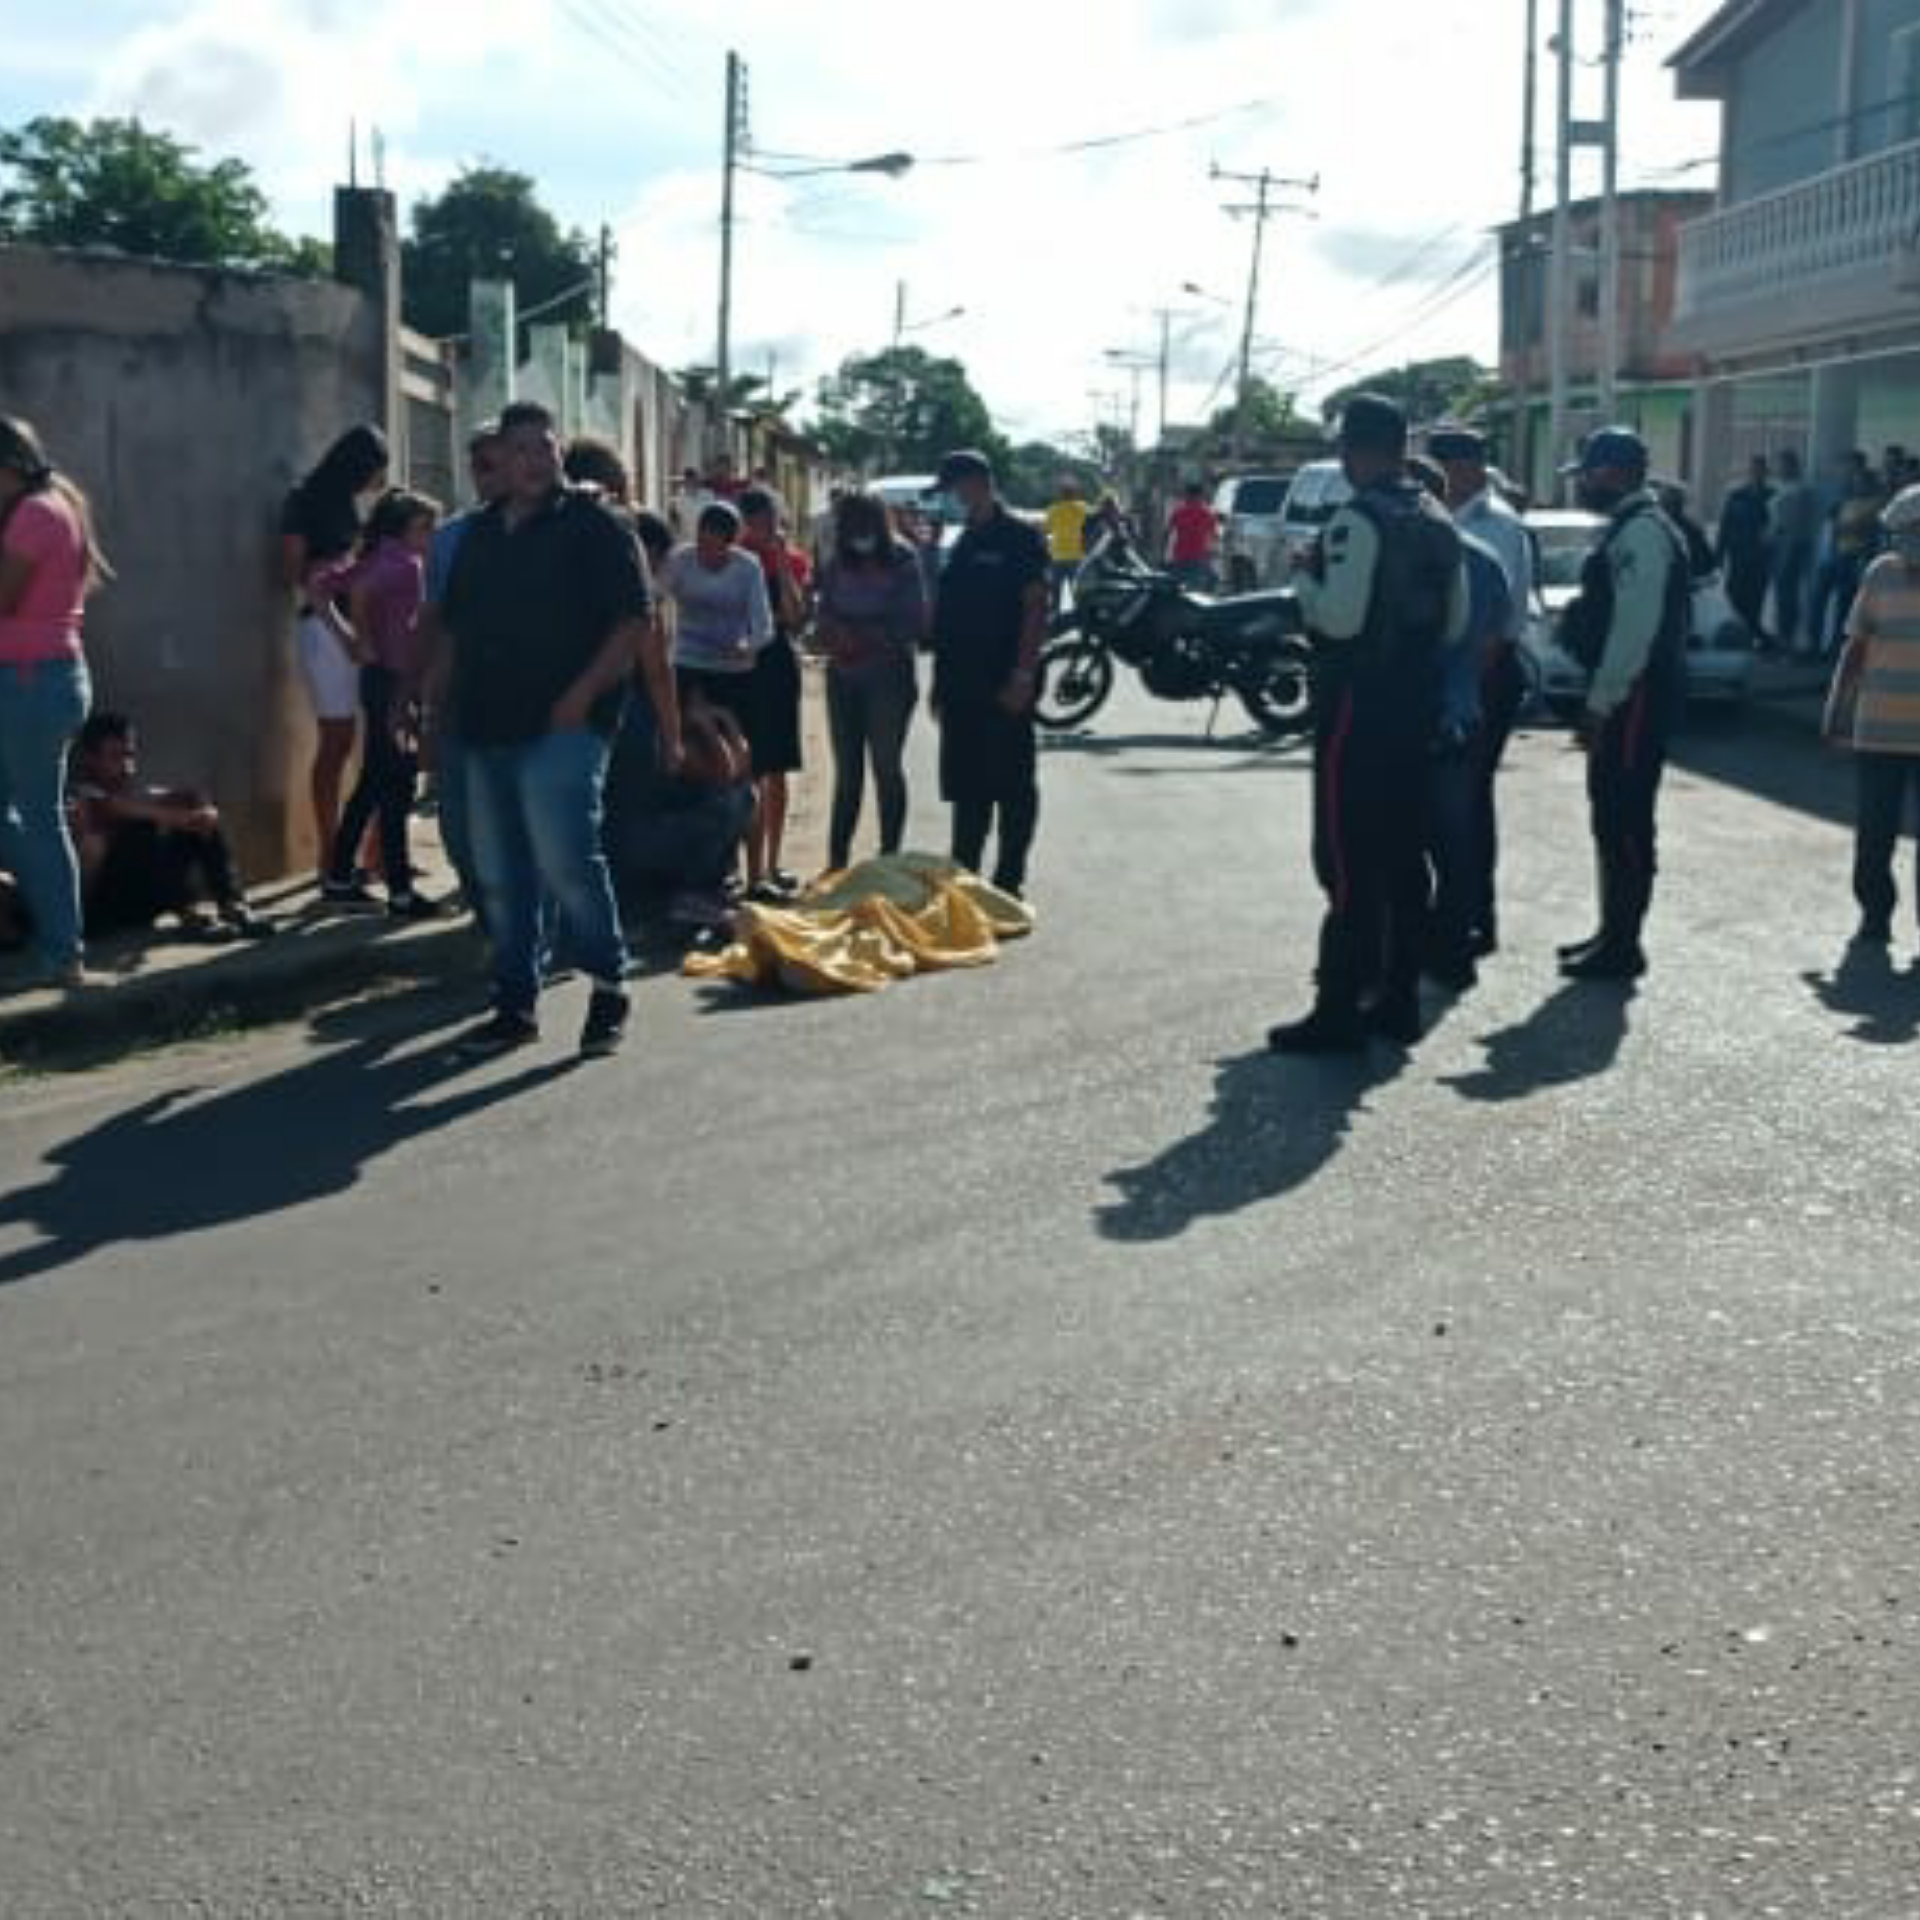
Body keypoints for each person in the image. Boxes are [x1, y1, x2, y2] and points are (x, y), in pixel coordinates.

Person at [440, 400, 677, 1058]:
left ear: (557, 454)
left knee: (566, 856)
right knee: (501, 872)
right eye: (520, 451)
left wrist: (581, 693)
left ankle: (609, 985)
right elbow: (453, 630)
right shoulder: (482, 534)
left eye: (544, 449)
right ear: (500, 462)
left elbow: (633, 621)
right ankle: (515, 1004)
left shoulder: (595, 526)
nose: (534, 462)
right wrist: (431, 706)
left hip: (567, 724)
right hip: (487, 722)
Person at [1269, 395, 1466, 1054]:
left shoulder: (1359, 519)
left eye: (1345, 448)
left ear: (1360, 449)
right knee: (1407, 859)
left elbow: (1340, 619)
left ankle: (1338, 1008)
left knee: (1348, 858)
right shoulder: (1438, 515)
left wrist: (1304, 584)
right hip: (1418, 702)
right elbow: (1458, 622)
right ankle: (1399, 999)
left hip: (1358, 704)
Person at [1555, 428, 1690, 983]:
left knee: (1625, 818)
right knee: (1610, 817)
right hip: (1631, 693)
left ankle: (1623, 944)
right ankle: (1613, 929)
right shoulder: (1634, 528)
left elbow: (1634, 629)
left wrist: (1601, 701)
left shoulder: (1643, 534)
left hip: (1634, 696)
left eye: (1587, 472)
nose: (1582, 484)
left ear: (1612, 472)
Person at [0, 415, 110, 988]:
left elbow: (5, 598)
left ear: (12, 468)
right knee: (32, 819)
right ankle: (57, 939)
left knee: (38, 822)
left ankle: (61, 950)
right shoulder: (48, 508)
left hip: (27, 682)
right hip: (40, 679)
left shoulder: (34, 516)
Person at [1428, 425, 1534, 959]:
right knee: (1451, 803)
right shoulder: (1438, 519)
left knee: (1466, 800)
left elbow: (1497, 624)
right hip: (1455, 675)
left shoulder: (1498, 527)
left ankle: (1473, 919)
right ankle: (1457, 914)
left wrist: (1460, 687)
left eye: (1443, 466)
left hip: (1485, 674)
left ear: (1466, 467)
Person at [1408, 455, 1510, 994]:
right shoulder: (1487, 559)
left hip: (1412, 721)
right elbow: (1495, 646)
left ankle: (1409, 950)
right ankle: (1455, 947)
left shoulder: (1403, 555)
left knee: (1402, 842)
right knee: (1455, 842)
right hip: (1463, 715)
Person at [929, 449, 1050, 898]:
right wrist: (940, 685)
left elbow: (1036, 606)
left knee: (1013, 785)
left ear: (977, 483)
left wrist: (1022, 674)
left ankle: (1008, 879)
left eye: (953, 490)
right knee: (967, 786)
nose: (951, 500)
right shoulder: (964, 542)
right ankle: (966, 877)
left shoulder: (1020, 537)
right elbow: (948, 617)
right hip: (962, 685)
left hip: (1005, 683)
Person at [322, 488, 442, 916]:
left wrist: (352, 638)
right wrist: (360, 637)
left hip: (380, 679)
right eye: (425, 527)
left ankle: (339, 876)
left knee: (375, 781)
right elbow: (356, 593)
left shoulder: (378, 557)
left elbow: (322, 585)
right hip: (393, 681)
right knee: (396, 786)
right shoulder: (407, 565)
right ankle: (400, 891)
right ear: (405, 529)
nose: (432, 535)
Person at [280, 424, 390, 862]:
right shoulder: (303, 499)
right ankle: (330, 851)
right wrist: (334, 563)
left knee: (372, 743)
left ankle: (373, 849)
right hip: (324, 629)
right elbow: (290, 571)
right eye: (375, 471)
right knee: (337, 740)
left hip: (362, 625)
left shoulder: (348, 505)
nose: (376, 482)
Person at [69, 712, 273, 941]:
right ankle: (190, 914)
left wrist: (205, 810)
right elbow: (116, 807)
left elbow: (189, 794)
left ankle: (233, 905)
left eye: (130, 755)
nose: (127, 767)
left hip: (143, 902)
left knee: (196, 818)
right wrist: (180, 817)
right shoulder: (81, 794)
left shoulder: (128, 793)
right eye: (115, 757)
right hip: (100, 913)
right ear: (90, 759)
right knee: (143, 829)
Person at [1823, 485, 1920, 945]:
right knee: (1874, 836)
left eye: (1909, 532)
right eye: (1900, 534)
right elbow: (1855, 649)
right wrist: (1836, 710)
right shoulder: (1880, 575)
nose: (1903, 543)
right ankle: (1874, 916)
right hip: (1878, 732)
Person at [663, 500, 774, 892]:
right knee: (701, 769)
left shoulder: (747, 568)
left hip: (736, 673)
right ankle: (714, 865)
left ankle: (755, 872)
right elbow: (654, 599)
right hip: (690, 667)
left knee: (744, 770)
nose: (707, 553)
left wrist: (747, 644)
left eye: (715, 547)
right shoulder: (681, 560)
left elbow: (764, 625)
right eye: (702, 543)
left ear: (731, 543)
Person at [817, 490, 929, 871]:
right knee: (847, 774)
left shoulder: (902, 558)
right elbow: (824, 613)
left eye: (864, 527)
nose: (857, 535)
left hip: (889, 679)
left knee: (886, 767)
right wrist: (835, 634)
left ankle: (889, 856)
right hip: (842, 678)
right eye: (850, 528)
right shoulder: (837, 561)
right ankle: (837, 861)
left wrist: (862, 637)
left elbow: (913, 622)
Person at [421, 423, 506, 920]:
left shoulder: (554, 529)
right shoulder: (451, 539)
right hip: (462, 698)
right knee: (457, 820)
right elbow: (437, 624)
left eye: (496, 463)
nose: (488, 476)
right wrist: (422, 702)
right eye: (481, 465)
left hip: (528, 704)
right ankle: (484, 908)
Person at [605, 681, 755, 934]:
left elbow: (742, 767)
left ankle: (704, 891)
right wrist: (707, 725)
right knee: (726, 805)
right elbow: (725, 773)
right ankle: (688, 898)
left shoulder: (689, 725)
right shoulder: (666, 733)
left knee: (745, 796)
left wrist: (727, 721)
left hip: (663, 833)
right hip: (639, 843)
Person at [737, 485, 807, 896]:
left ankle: (773, 863)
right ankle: (748, 869)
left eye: (768, 519)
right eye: (755, 520)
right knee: (745, 768)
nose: (762, 528)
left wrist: (780, 562)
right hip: (738, 663)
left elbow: (794, 614)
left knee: (776, 768)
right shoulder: (732, 556)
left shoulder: (791, 560)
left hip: (775, 662)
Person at [1715, 455, 1775, 644]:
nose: (1756, 474)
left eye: (1760, 470)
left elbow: (1777, 527)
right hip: (1738, 553)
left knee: (1756, 594)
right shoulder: (1736, 495)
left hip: (1760, 556)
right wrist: (1718, 555)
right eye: (1753, 470)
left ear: (1765, 473)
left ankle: (1752, 630)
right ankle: (1752, 629)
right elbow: (1725, 526)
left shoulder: (1772, 496)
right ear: (1749, 473)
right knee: (1733, 590)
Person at [1768, 448, 1820, 656]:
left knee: (1788, 595)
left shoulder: (1800, 490)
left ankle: (1788, 640)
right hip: (1780, 546)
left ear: (1791, 465)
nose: (1779, 468)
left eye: (1783, 464)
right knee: (1782, 594)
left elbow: (1795, 524)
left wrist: (1783, 542)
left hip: (1791, 547)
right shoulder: (1781, 488)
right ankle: (1783, 639)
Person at [1044, 477, 1091, 612]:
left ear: (1060, 494)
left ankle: (1055, 620)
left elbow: (1047, 530)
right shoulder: (1083, 508)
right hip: (1077, 556)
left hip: (1057, 555)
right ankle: (1080, 618)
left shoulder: (1053, 510)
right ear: (1075, 493)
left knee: (1055, 593)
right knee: (1077, 591)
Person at [1165, 481, 1221, 592]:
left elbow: (1167, 533)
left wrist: (1165, 555)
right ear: (1200, 495)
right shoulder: (1207, 513)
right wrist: (1213, 551)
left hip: (1180, 556)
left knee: (1176, 588)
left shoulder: (1178, 511)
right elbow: (1215, 536)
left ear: (1187, 495)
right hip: (1198, 557)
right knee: (1208, 583)